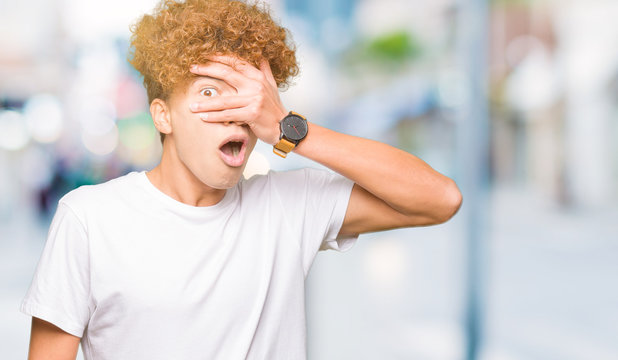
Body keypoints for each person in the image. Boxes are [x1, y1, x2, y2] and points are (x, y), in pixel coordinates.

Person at [21, 0, 462, 359]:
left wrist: (291, 127)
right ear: (163, 114)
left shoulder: (291, 205)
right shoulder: (88, 220)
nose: (236, 113)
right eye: (210, 93)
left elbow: (440, 198)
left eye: (247, 97)